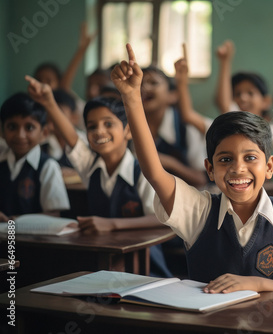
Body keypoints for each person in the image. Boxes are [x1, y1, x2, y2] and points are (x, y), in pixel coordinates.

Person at [111, 43, 273, 293]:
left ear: (269, 167)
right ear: (209, 169)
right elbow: (155, 172)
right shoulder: (200, 211)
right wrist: (131, 98)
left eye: (250, 158)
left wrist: (255, 283)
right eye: (225, 159)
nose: (238, 169)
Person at [24, 75, 172, 278]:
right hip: (104, 264)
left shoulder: (143, 173)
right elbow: (71, 136)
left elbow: (163, 218)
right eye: (92, 126)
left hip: (143, 267)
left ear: (128, 131)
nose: (99, 131)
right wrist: (48, 101)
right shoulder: (90, 167)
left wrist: (111, 224)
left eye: (108, 124)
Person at [0, 92, 70, 221]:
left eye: (29, 127)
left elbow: (54, 214)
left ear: (44, 133)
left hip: (33, 239)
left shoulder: (48, 167)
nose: (20, 135)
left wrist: (14, 221)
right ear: (2, 132)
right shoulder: (1, 162)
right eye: (12, 127)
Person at [140, 65, 207, 188]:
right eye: (139, 83)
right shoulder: (127, 127)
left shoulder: (185, 128)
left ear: (172, 95)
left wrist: (170, 163)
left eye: (153, 82)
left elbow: (202, 179)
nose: (144, 87)